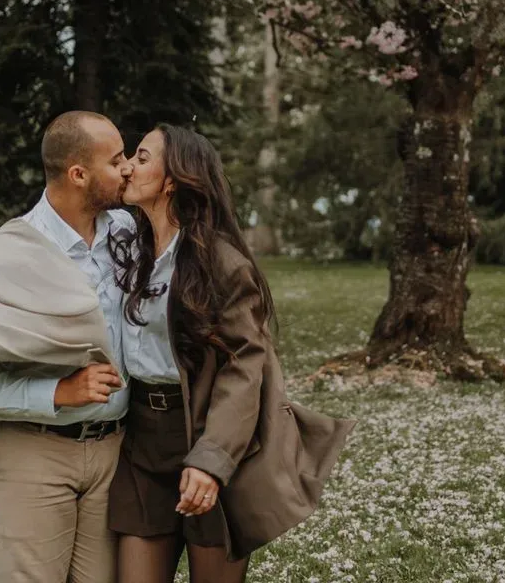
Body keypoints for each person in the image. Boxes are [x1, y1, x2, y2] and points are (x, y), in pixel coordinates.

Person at [109, 124, 355, 583]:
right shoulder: (129, 253)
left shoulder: (220, 263)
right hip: (142, 446)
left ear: (173, 179)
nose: (127, 167)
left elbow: (246, 366)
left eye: (141, 157)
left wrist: (212, 460)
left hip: (208, 437)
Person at [0, 111, 134, 583]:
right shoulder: (12, 252)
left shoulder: (128, 233)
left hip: (115, 454)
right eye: (117, 160)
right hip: (33, 453)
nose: (128, 167)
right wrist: (56, 392)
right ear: (78, 174)